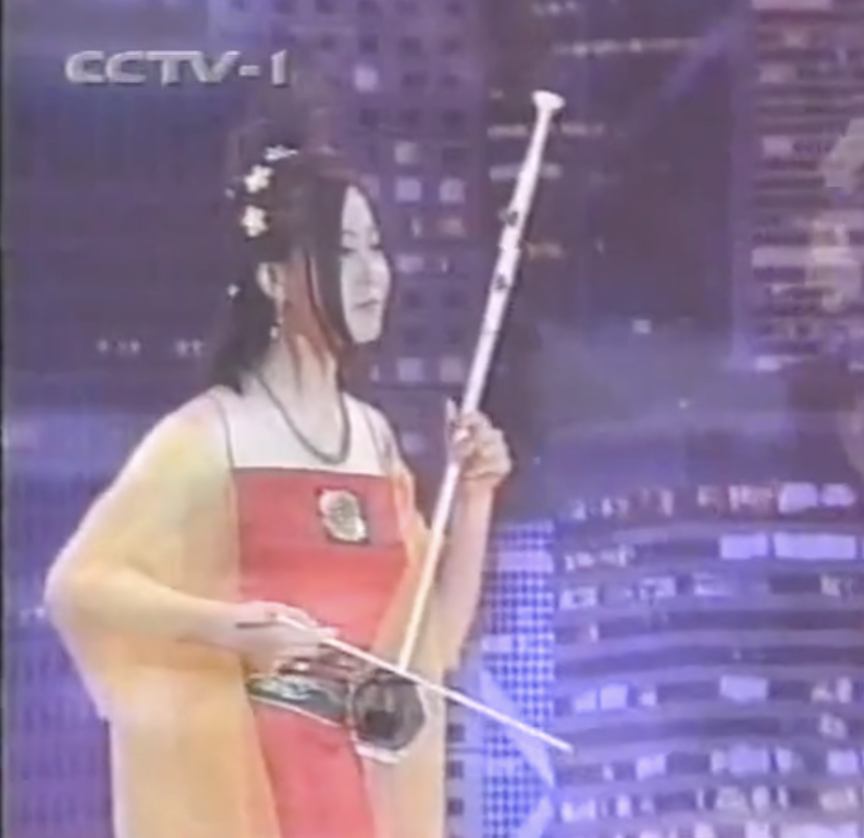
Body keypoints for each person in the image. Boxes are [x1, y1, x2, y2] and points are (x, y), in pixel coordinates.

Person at [43, 96, 512, 838]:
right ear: (274, 279)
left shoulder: (373, 438)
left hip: (359, 790)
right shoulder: (208, 436)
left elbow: (432, 644)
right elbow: (81, 587)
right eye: (343, 252)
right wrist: (225, 627)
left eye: (375, 248)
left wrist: (477, 497)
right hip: (249, 789)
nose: (374, 275)